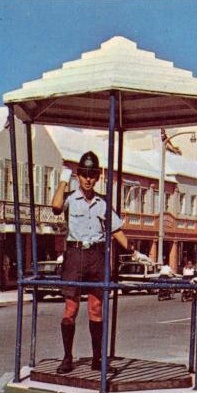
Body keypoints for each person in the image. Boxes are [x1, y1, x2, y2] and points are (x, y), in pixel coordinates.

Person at [51, 151, 139, 374]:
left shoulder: (103, 203)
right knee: (70, 309)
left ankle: (97, 359)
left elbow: (116, 230)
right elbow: (55, 207)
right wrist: (63, 179)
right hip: (75, 254)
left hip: (96, 257)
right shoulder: (70, 198)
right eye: (84, 174)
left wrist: (133, 251)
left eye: (92, 175)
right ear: (78, 176)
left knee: (96, 309)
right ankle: (67, 358)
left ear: (97, 177)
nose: (88, 179)